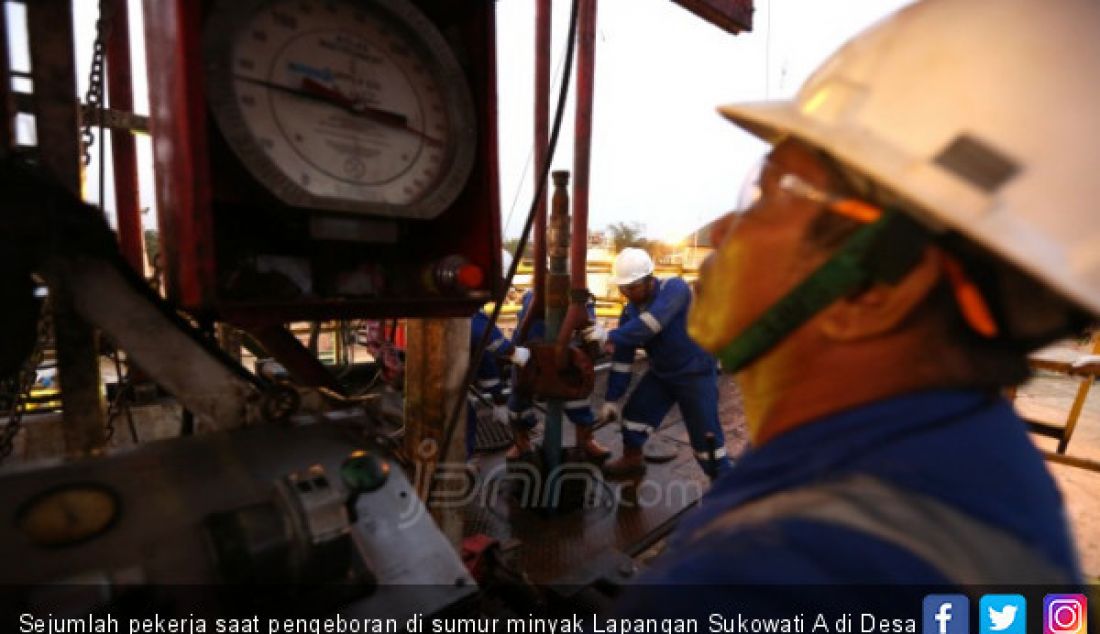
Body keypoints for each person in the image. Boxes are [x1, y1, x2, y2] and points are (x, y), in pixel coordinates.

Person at [618, 0, 1096, 610]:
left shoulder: (770, 578)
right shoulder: (969, 459)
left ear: (875, 289)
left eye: (767, 193)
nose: (719, 231)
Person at [599, 248, 731, 480]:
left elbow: (653, 323)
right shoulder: (629, 312)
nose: (627, 293)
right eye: (623, 288)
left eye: (632, 287)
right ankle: (632, 459)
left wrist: (610, 336)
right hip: (662, 374)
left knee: (706, 437)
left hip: (695, 373)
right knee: (634, 415)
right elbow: (622, 360)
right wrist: (612, 398)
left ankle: (725, 487)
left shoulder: (674, 288)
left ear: (649, 280)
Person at [505, 286, 610, 462]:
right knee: (518, 399)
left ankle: (585, 440)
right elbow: (523, 331)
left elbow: (589, 324)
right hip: (533, 355)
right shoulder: (533, 298)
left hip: (566, 357)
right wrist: (517, 353)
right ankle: (521, 442)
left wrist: (597, 333)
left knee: (579, 400)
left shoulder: (582, 299)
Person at [466, 251, 530, 466]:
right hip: (439, 380)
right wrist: (511, 351)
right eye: (503, 282)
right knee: (461, 418)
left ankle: (461, 462)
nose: (504, 289)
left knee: (466, 415)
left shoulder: (475, 305)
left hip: (453, 379)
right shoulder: (467, 307)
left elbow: (482, 357)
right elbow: (480, 334)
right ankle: (455, 467)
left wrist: (499, 399)